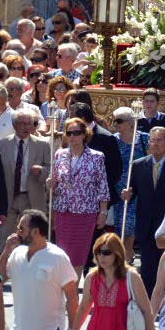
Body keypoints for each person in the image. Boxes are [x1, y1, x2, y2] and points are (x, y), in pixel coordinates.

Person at [119, 126, 165, 294]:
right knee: (148, 269)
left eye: (159, 141)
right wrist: (128, 193)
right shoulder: (138, 165)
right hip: (146, 225)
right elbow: (134, 191)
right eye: (152, 140)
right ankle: (149, 305)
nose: (155, 144)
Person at [49, 116, 110, 274]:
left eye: (76, 133)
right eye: (68, 133)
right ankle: (65, 291)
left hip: (85, 213)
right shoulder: (59, 154)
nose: (72, 137)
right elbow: (55, 183)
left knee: (78, 255)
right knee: (63, 254)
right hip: (63, 211)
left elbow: (102, 186)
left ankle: (73, 292)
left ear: (84, 134)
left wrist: (103, 212)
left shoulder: (97, 157)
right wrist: (50, 184)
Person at [0, 110, 51, 250]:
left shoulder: (42, 144)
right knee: (4, 236)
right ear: (14, 125)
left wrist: (42, 171)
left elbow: (51, 169)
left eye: (29, 124)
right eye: (22, 124)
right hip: (8, 197)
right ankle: (2, 267)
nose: (26, 127)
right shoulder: (1, 144)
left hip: (31, 197)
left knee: (32, 237)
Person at [110, 107, 148, 260]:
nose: (115, 124)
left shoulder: (144, 139)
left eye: (119, 121)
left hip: (138, 189)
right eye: (114, 120)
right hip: (119, 189)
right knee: (121, 227)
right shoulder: (113, 140)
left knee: (132, 226)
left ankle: (128, 254)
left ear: (130, 123)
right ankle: (123, 257)